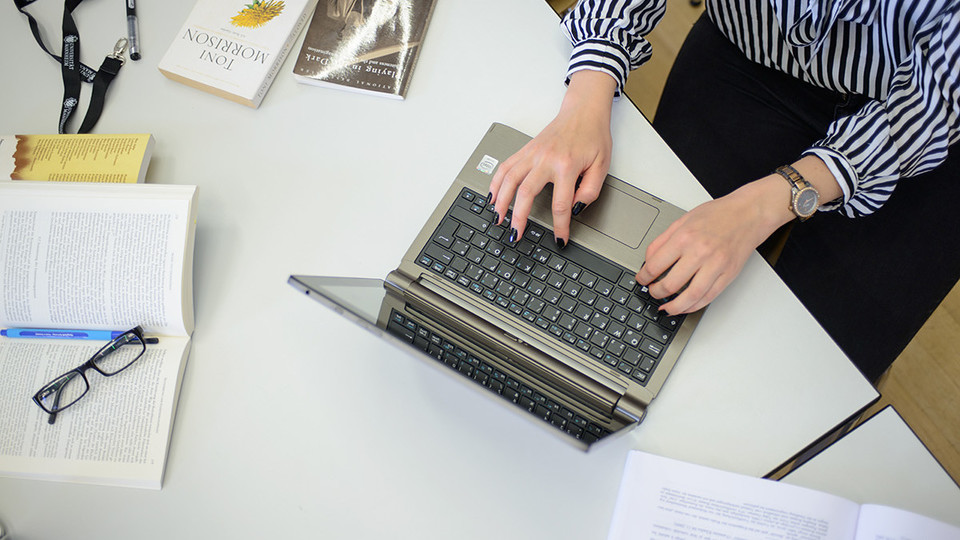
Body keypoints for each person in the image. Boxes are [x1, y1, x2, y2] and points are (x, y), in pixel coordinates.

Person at [487, 0, 960, 383]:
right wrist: (588, 89)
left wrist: (763, 205)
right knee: (643, 302)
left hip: (919, 132)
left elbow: (934, 100)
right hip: (748, 51)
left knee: (812, 373)